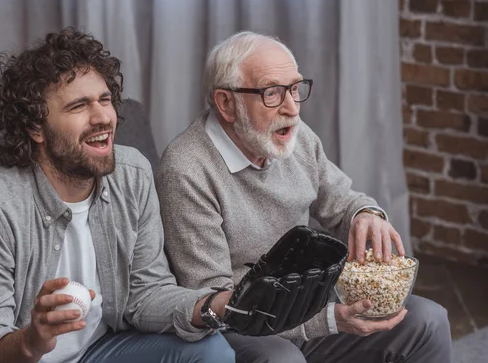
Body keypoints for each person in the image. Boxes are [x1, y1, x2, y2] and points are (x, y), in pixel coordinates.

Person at [0, 28, 236, 363]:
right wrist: (31, 341)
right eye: (79, 106)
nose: (103, 117)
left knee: (211, 351)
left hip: (96, 351)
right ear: (36, 128)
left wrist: (218, 304)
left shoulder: (132, 174)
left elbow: (146, 293)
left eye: (105, 100)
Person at [155, 31, 452, 363]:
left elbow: (341, 200)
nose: (292, 108)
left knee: (428, 320)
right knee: (283, 360)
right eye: (272, 93)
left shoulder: (293, 138)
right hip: (239, 329)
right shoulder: (187, 170)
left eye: (295, 89)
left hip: (306, 303)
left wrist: (366, 214)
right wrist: (327, 320)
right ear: (226, 103)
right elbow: (217, 304)